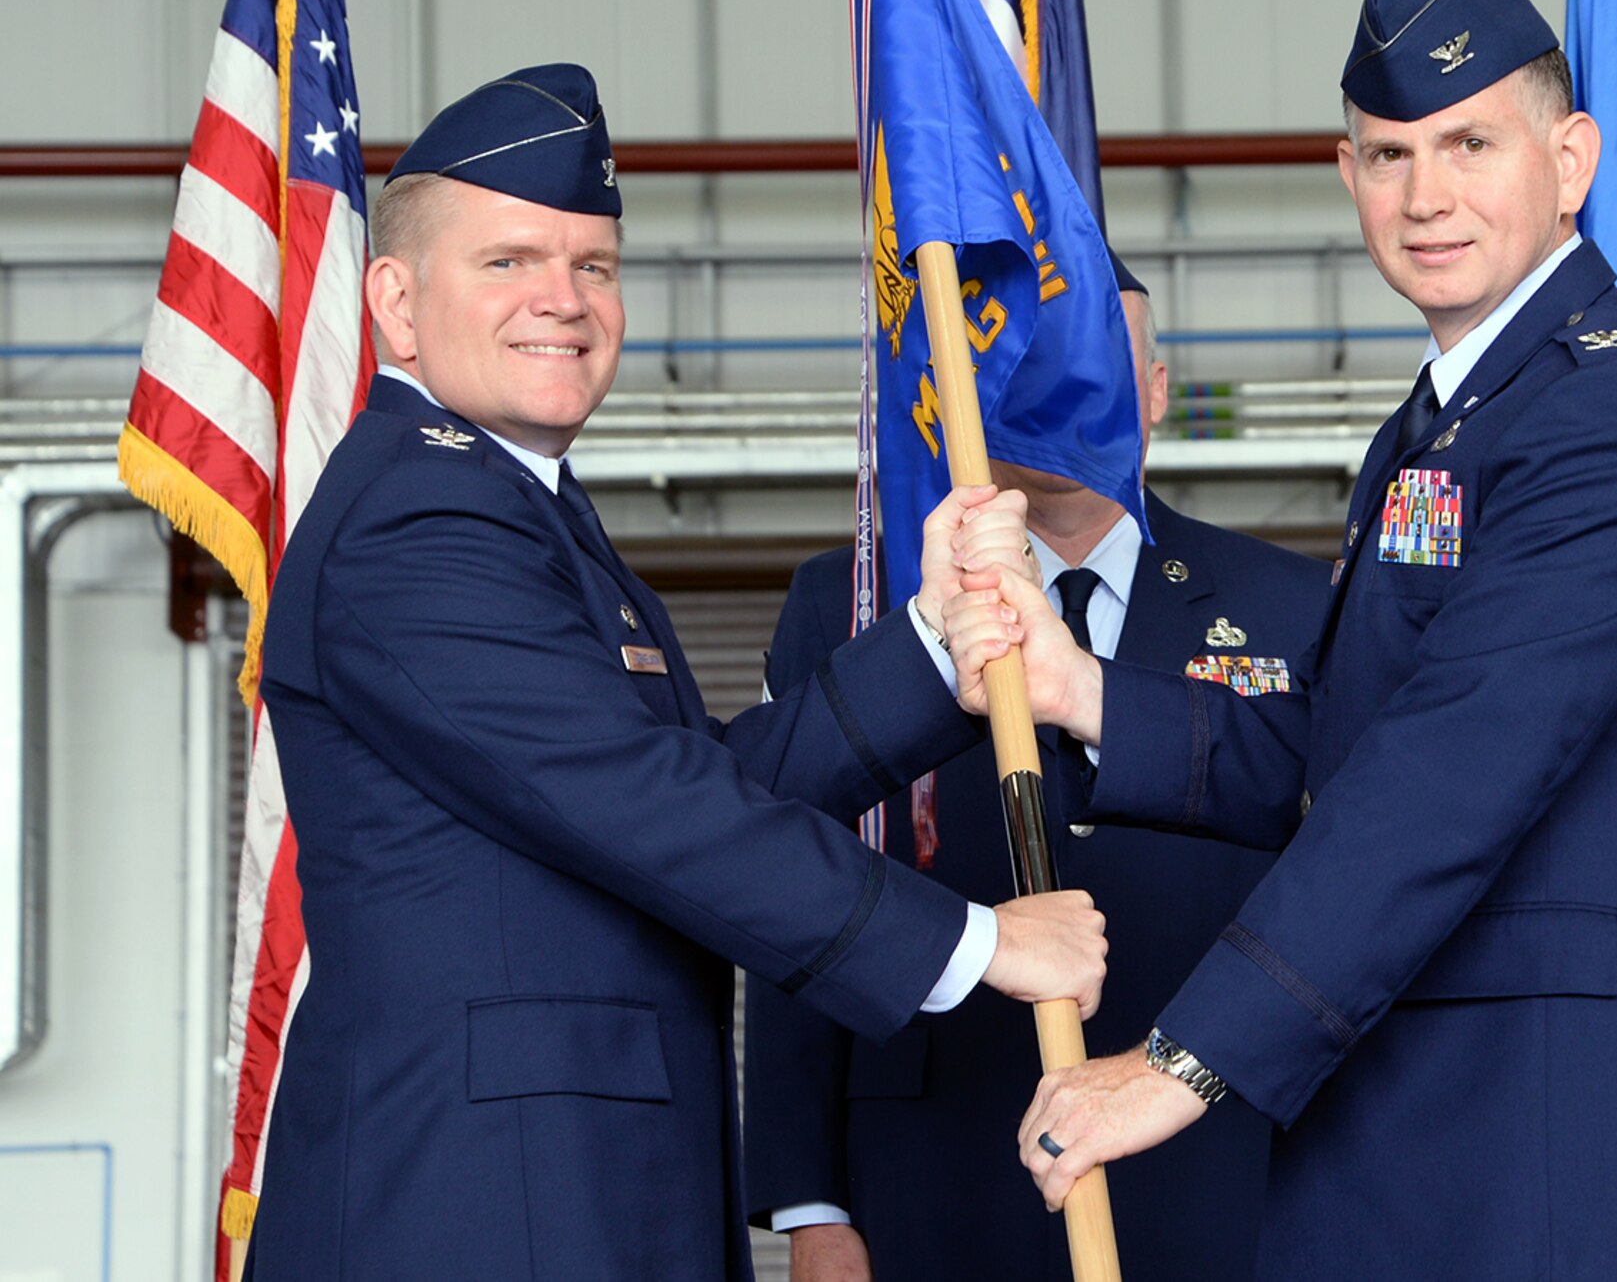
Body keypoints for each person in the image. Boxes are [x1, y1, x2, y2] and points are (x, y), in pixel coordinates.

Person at [949, 0, 1617, 1280]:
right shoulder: (1454, 417)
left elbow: (1448, 772)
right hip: (1412, 1126)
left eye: (1471, 145)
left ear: (1571, 162)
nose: (1425, 194)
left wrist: (1176, 1064)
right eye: (1390, 155)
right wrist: (1079, 691)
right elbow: (1355, 742)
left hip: (1541, 1154)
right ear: (1348, 176)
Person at [245, 64, 1108, 1282]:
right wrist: (975, 943)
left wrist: (932, 645)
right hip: (483, 1212)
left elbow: (685, 777)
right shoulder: (416, 520)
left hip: (576, 1193)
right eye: (508, 261)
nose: (563, 299)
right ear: (393, 301)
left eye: (591, 266)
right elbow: (652, 810)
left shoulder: (517, 507)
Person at [743, 257, 1332, 1282]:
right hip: (927, 1175)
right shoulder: (857, 600)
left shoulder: (1293, 604)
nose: (1062, 387)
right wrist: (812, 1206)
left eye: (1098, 359)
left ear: (1154, 388)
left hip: (1217, 1166)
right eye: (1027, 358)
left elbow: (1341, 897)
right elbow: (782, 882)